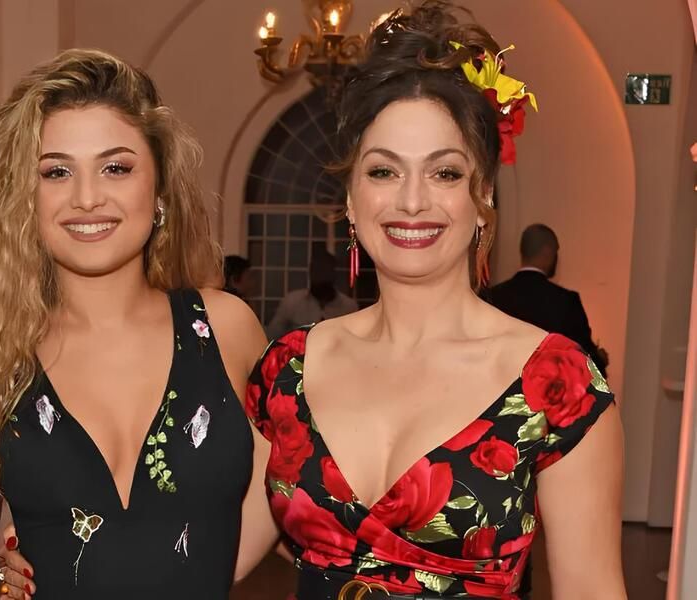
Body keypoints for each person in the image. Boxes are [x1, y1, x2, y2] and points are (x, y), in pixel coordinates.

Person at [245, 2, 625, 599]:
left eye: (444, 173)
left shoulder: (557, 384)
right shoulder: (287, 370)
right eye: (383, 172)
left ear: (483, 198)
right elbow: (209, 550)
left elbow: (591, 589)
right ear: (350, 199)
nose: (412, 201)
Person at [0, 49, 276, 599]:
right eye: (57, 172)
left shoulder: (224, 328)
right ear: (24, 198)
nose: (87, 198)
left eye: (116, 167)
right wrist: (9, 571)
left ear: (159, 189)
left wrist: (186, 566)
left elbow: (286, 491)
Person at [488, 224, 609, 375]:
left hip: (500, 385)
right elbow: (585, 361)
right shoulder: (566, 301)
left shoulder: (494, 296)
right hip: (547, 388)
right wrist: (600, 360)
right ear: (548, 252)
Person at [266, 251, 359, 339]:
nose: (321, 276)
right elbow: (272, 336)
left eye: (325, 271)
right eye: (317, 271)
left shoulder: (349, 307)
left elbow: (355, 341)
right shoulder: (292, 301)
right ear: (310, 273)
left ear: (333, 273)